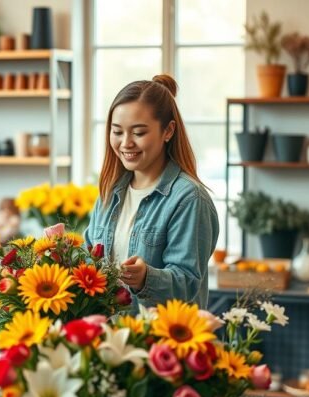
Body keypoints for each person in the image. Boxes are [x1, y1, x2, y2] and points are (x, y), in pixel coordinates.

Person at [83, 74, 219, 309]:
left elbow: (187, 283)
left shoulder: (189, 199)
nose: (126, 143)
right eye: (117, 132)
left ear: (168, 131)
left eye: (138, 133)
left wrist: (146, 278)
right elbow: (88, 260)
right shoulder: (109, 193)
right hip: (110, 340)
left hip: (160, 342)